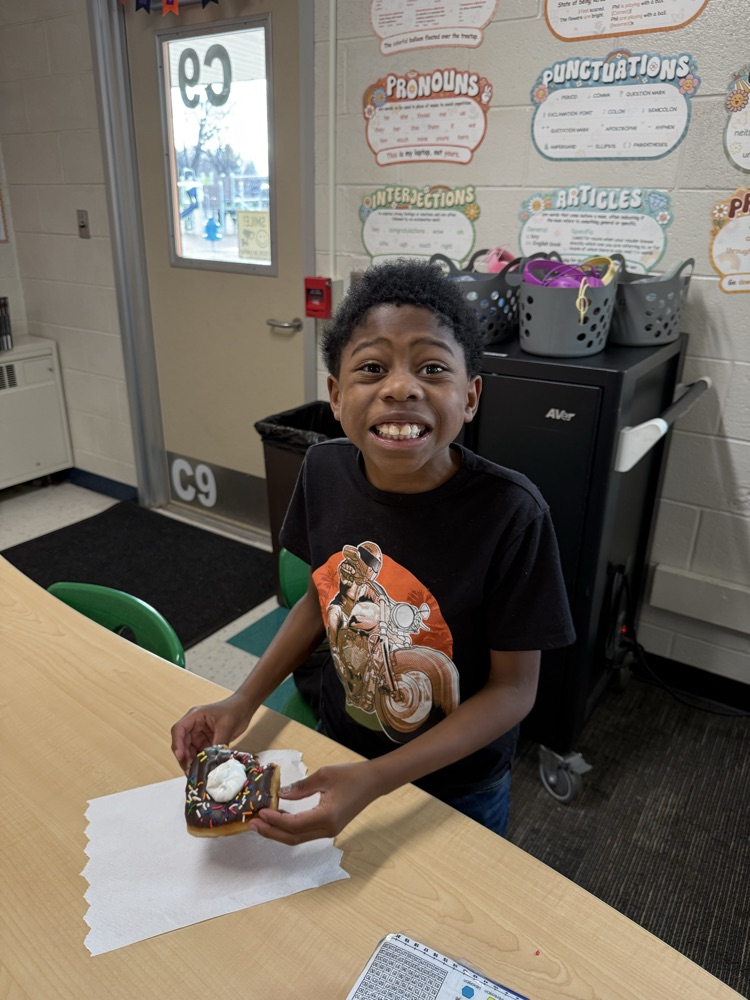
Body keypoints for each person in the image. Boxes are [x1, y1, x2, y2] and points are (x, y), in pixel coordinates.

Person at [171, 258, 575, 841]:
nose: (401, 387)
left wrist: (378, 778)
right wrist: (241, 701)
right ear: (336, 396)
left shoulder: (513, 513)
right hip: (340, 743)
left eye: (433, 368)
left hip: (458, 785)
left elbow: (515, 690)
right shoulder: (322, 469)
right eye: (372, 368)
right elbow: (321, 596)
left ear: (471, 396)